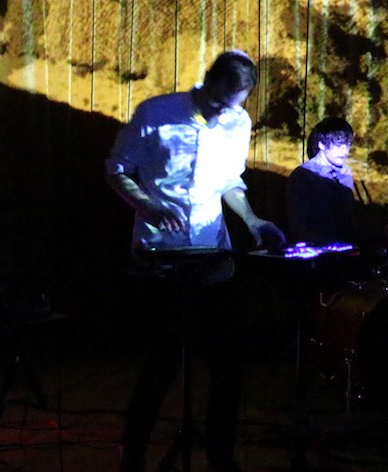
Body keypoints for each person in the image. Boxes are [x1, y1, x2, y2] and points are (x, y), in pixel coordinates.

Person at [105, 49, 286, 472]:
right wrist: (147, 205)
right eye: (223, 103)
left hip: (211, 252)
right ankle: (133, 455)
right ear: (210, 83)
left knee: (227, 362)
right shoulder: (156, 114)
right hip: (160, 254)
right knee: (164, 361)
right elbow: (117, 169)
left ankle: (220, 455)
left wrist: (253, 220)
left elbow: (229, 181)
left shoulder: (237, 122)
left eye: (236, 106)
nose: (228, 113)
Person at [285, 116, 359, 246]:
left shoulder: (345, 172)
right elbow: (297, 223)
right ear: (321, 144)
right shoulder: (303, 175)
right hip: (314, 250)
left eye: (347, 144)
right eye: (338, 144)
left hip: (344, 248)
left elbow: (349, 216)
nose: (345, 151)